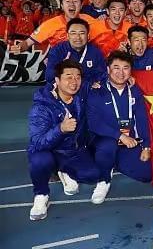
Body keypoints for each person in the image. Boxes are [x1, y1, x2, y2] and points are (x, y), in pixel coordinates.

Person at [28, 59, 101, 221]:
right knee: (40, 161)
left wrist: (129, 79)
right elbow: (37, 142)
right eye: (68, 77)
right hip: (47, 150)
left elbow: (102, 78)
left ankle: (63, 170)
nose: (74, 81)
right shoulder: (41, 106)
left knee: (93, 175)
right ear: (57, 80)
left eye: (77, 77)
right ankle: (41, 195)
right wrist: (60, 129)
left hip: (71, 151)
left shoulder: (81, 94)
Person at [86, 51, 152, 204]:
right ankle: (103, 180)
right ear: (108, 69)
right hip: (104, 141)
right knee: (108, 147)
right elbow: (94, 123)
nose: (121, 73)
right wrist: (120, 136)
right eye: (116, 67)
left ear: (130, 71)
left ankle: (112, 162)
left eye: (125, 68)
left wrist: (146, 147)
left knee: (146, 174)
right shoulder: (97, 91)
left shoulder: (135, 91)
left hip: (128, 142)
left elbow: (141, 119)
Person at [11, 0, 94, 52]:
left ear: (81, 5)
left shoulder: (91, 21)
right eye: (67, 1)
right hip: (59, 65)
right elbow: (27, 42)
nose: (71, 4)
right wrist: (19, 47)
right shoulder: (50, 24)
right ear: (62, 5)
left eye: (75, 1)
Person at [45, 18, 107, 85]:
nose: (78, 37)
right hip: (65, 88)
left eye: (82, 33)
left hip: (87, 89)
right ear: (67, 36)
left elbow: (102, 76)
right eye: (73, 33)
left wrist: (88, 84)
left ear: (88, 36)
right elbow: (49, 77)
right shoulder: (58, 50)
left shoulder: (95, 52)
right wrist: (61, 68)